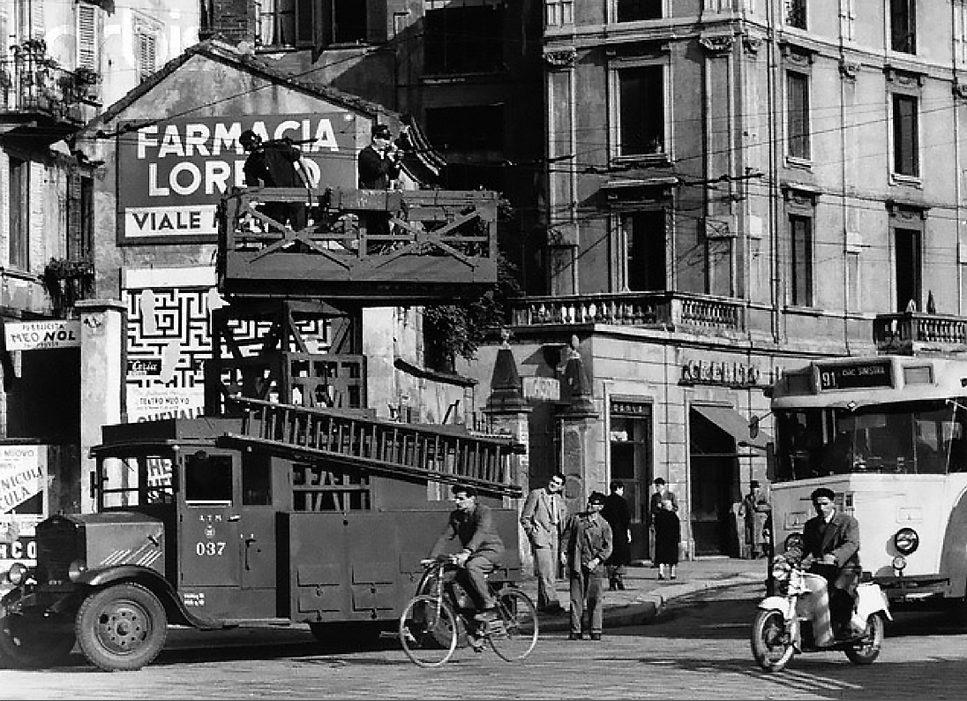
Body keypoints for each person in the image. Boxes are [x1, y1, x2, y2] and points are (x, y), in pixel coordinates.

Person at [785, 486, 863, 640]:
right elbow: (804, 546)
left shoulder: (848, 522)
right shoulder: (811, 525)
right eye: (817, 504)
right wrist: (788, 556)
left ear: (833, 503)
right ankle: (808, 628)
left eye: (825, 504)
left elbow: (852, 544)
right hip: (821, 567)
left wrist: (834, 556)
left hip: (845, 567)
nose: (821, 508)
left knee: (839, 590)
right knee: (800, 590)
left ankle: (845, 627)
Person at [429, 484, 505, 621]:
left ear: (472, 499)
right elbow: (445, 537)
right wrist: (432, 558)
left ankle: (490, 606)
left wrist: (467, 552)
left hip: (490, 551)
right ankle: (477, 606)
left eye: (461, 498)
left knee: (472, 566)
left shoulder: (483, 512)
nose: (457, 501)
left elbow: (481, 532)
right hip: (473, 554)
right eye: (456, 498)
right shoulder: (456, 516)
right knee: (456, 575)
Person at [561, 491, 613, 641]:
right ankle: (575, 629)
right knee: (576, 598)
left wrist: (596, 560)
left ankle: (595, 629)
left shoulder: (604, 525)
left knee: (594, 599)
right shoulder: (576, 519)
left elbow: (608, 547)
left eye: (594, 503)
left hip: (594, 566)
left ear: (600, 507)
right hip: (577, 563)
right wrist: (563, 552)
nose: (589, 505)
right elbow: (567, 536)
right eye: (589, 501)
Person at [239, 129, 309, 230]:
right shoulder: (251, 164)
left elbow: (299, 157)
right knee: (275, 233)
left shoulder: (277, 148)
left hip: (295, 193)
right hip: (275, 199)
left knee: (300, 231)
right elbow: (253, 191)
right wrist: (249, 214)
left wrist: (311, 182)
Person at [520, 472, 567, 613]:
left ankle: (542, 605)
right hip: (540, 537)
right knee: (547, 573)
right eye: (552, 481)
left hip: (554, 536)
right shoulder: (537, 494)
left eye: (557, 483)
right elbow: (525, 517)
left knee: (548, 572)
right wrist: (533, 532)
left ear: (561, 487)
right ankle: (553, 603)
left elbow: (562, 519)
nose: (553, 484)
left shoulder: (558, 499)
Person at [357, 123, 403, 253]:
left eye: (388, 139)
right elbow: (378, 170)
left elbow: (393, 174)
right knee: (374, 228)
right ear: (375, 138)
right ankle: (371, 252)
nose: (387, 142)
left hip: (381, 197)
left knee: (384, 227)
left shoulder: (383, 156)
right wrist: (388, 157)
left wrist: (397, 161)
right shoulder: (366, 154)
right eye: (384, 138)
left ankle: (383, 249)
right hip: (369, 198)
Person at [601, 480, 632, 591]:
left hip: (608, 532)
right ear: (618, 488)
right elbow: (626, 518)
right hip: (620, 532)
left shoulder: (606, 501)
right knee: (621, 557)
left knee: (609, 556)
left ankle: (611, 581)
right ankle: (618, 577)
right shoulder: (623, 502)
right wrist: (627, 531)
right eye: (622, 489)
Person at [738, 480, 772, 559]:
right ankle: (753, 553)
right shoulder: (747, 497)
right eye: (752, 488)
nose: (754, 490)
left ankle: (761, 552)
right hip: (750, 519)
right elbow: (743, 506)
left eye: (756, 488)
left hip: (760, 519)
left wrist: (758, 507)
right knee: (751, 536)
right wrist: (742, 511)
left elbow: (769, 506)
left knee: (759, 536)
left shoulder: (763, 496)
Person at [648, 478, 677, 565]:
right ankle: (659, 561)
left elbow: (676, 507)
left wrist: (669, 507)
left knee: (669, 541)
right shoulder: (655, 497)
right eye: (656, 486)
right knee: (659, 541)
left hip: (669, 521)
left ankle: (669, 560)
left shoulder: (670, 495)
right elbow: (652, 510)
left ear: (663, 486)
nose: (657, 488)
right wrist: (658, 508)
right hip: (659, 521)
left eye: (659, 486)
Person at [653, 498, 680, 580]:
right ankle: (672, 573)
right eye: (670, 505)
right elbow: (677, 528)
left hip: (661, 538)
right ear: (668, 506)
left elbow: (656, 527)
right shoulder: (673, 516)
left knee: (661, 557)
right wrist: (678, 538)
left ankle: (661, 572)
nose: (671, 507)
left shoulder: (658, 516)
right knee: (672, 557)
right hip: (672, 539)